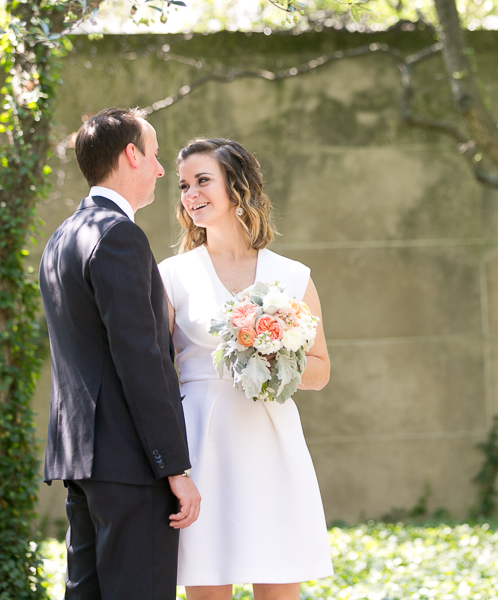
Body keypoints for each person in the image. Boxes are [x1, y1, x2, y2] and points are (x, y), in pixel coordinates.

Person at [158, 138, 333, 600]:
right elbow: (155, 370)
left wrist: (273, 360)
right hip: (201, 442)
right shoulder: (171, 276)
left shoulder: (292, 276)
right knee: (207, 585)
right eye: (183, 185)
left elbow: (320, 370)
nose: (190, 193)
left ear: (236, 187)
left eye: (202, 181)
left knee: (277, 583)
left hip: (270, 440)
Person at [39, 107, 202, 600]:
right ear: (131, 154)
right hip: (130, 465)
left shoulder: (61, 238)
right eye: (153, 156)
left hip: (82, 463)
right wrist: (175, 467)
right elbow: (142, 359)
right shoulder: (119, 236)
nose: (158, 170)